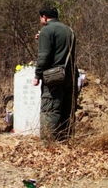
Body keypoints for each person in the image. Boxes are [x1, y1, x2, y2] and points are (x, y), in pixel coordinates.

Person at [32, 7, 78, 141]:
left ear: (44, 17)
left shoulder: (47, 29)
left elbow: (44, 57)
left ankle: (49, 145)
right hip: (70, 76)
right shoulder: (69, 30)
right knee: (66, 110)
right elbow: (62, 49)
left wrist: (37, 75)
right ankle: (65, 141)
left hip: (54, 77)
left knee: (50, 110)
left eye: (41, 18)